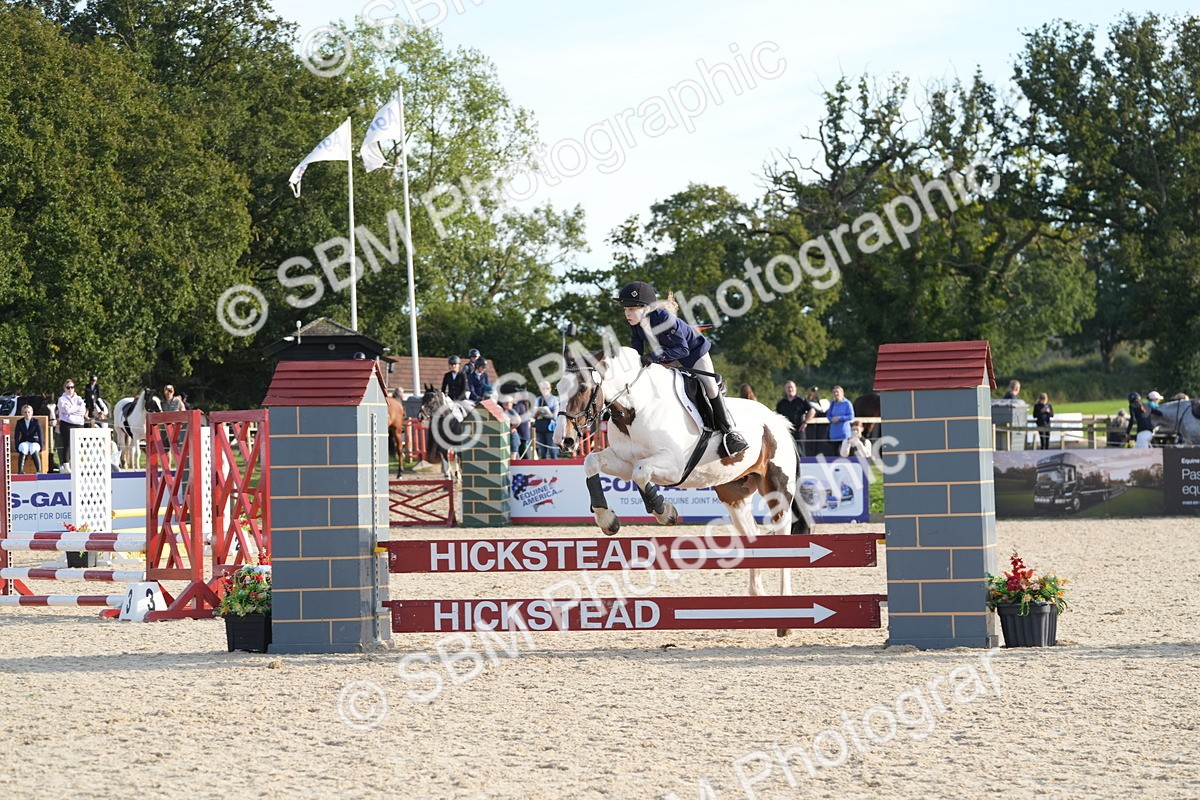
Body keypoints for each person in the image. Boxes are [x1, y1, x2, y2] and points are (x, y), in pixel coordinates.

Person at [617, 280, 747, 457]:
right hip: (671, 357)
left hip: (693, 352)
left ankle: (730, 433)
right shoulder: (636, 325)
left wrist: (653, 357)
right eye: (625, 309)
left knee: (709, 385)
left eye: (631, 309)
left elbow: (683, 349)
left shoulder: (664, 318)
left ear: (646, 308)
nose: (627, 313)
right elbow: (637, 352)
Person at [775, 381, 814, 455]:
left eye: (791, 387)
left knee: (800, 452)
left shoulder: (801, 400)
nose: (790, 389)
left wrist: (806, 422)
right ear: (785, 390)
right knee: (786, 452)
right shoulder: (781, 402)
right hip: (786, 431)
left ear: (795, 389)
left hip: (799, 430)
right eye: (788, 388)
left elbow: (812, 411)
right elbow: (776, 415)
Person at [55, 379, 86, 469]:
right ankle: (66, 465)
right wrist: (76, 408)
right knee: (67, 445)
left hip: (79, 424)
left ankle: (78, 464)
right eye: (68, 387)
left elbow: (83, 411)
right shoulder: (61, 399)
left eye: (72, 387)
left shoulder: (79, 398)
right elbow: (66, 410)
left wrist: (71, 411)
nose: (70, 389)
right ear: (65, 388)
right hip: (66, 424)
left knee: (79, 445)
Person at [825, 385, 855, 458]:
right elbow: (828, 415)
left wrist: (839, 418)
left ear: (842, 393)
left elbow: (851, 416)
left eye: (837, 392)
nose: (836, 394)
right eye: (834, 392)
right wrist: (832, 419)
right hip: (834, 434)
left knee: (844, 454)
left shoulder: (847, 403)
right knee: (835, 454)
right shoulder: (832, 404)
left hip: (844, 434)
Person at [533, 381, 559, 459]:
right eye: (542, 388)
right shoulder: (538, 399)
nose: (544, 390)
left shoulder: (554, 399)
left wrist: (544, 412)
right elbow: (533, 415)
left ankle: (556, 468)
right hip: (539, 427)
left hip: (550, 428)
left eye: (546, 388)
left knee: (552, 450)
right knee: (542, 451)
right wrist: (537, 412)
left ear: (550, 389)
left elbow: (554, 416)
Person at [14, 404, 43, 474]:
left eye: (28, 412)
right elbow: (16, 435)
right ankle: (20, 471)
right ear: (22, 413)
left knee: (33, 447)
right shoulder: (19, 422)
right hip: (24, 441)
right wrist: (17, 446)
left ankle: (39, 470)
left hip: (34, 441)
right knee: (24, 447)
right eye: (25, 412)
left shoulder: (36, 421)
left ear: (32, 412)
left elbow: (40, 434)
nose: (27, 414)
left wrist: (41, 446)